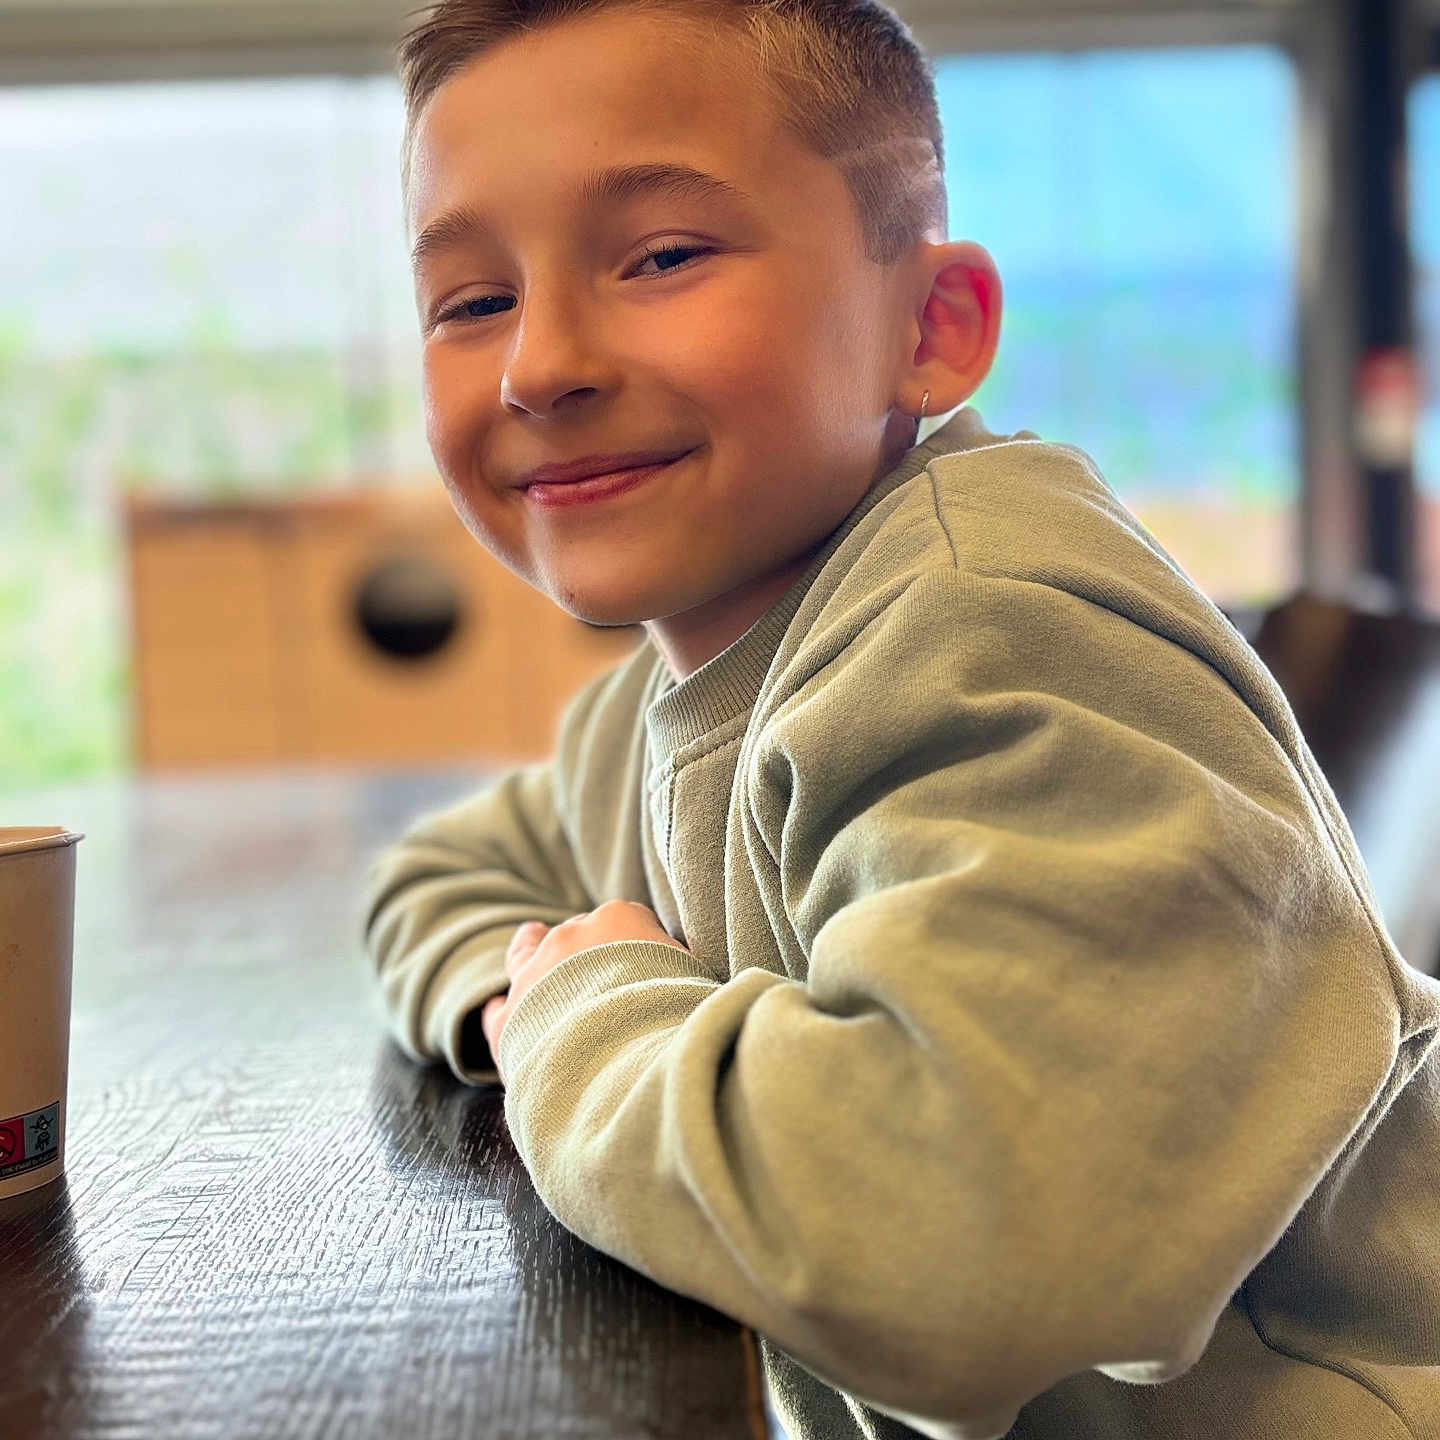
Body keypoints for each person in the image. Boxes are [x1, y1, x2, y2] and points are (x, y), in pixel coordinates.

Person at [362, 2, 1440, 1436]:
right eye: (471, 301)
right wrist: (536, 996)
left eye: (664, 255)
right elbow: (441, 877)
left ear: (931, 331)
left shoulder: (992, 633)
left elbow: (960, 1246)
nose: (537, 363)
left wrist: (589, 1021)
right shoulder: (669, 695)